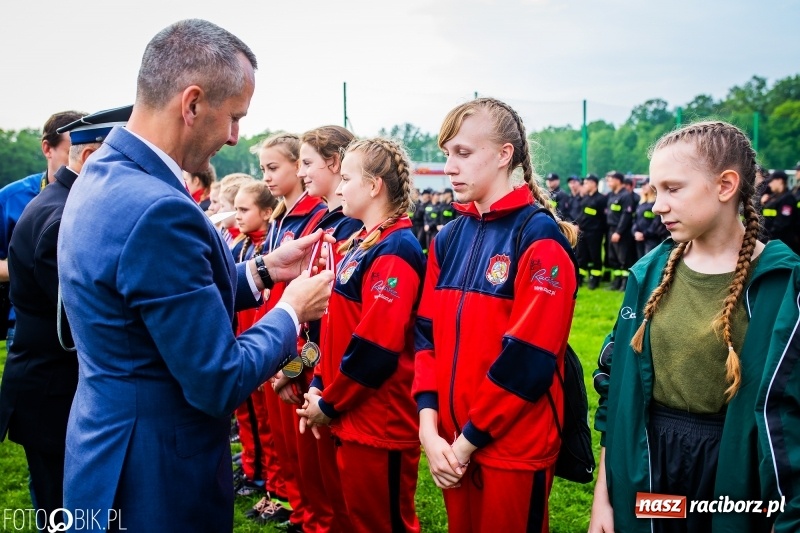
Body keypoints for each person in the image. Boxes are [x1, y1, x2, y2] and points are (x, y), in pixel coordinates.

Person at [57, 19, 335, 532]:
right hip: (154, 474)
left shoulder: (104, 176)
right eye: (233, 117)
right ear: (191, 103)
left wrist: (263, 270)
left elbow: (152, 296)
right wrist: (292, 310)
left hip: (107, 443)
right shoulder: (157, 208)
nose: (233, 137)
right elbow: (217, 378)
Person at [589, 121, 800, 533]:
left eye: (673, 188)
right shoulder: (647, 275)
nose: (656, 206)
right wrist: (606, 497)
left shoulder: (783, 284)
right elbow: (615, 392)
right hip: (657, 467)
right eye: (654, 191)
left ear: (725, 186)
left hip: (736, 478)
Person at [413, 98, 578, 533]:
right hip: (449, 445)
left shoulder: (538, 236)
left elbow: (529, 359)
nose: (449, 166)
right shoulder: (448, 237)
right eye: (447, 153)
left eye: (463, 153)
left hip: (511, 451)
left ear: (505, 154)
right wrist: (430, 431)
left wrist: (467, 443)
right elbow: (425, 337)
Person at [0, 105, 131, 528]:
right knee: (66, 515)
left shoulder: (58, 203)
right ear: (91, 159)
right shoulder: (61, 218)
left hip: (52, 390)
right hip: (54, 395)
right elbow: (86, 322)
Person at [298, 137, 425, 533]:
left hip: (379, 423)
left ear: (374, 186)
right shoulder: (362, 243)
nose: (338, 188)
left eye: (347, 178)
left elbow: (376, 348)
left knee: (382, 523)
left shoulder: (395, 249)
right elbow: (333, 327)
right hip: (351, 414)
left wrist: (330, 403)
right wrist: (317, 384)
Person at [250, 132, 328, 529]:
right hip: (282, 343)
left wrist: (295, 366)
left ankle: (312, 517)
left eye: (273, 167)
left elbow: (325, 320)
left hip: (305, 355)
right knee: (289, 446)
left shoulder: (321, 220)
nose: (266, 176)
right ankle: (301, 512)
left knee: (314, 457)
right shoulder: (282, 217)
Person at [0, 110, 85, 344]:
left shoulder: (96, 195)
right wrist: (26, 263)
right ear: (47, 149)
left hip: (80, 322)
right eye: (71, 153)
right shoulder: (11, 198)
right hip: (27, 323)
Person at [604, 170, 636, 291]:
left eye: (611, 180)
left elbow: (626, 216)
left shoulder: (626, 196)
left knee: (624, 258)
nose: (608, 182)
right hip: (611, 229)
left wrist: (618, 232)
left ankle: (625, 284)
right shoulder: (612, 195)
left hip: (621, 232)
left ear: (618, 180)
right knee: (613, 258)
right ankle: (616, 282)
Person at [576, 174, 607, 289]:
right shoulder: (586, 198)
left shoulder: (601, 199)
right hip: (583, 231)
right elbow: (582, 215)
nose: (584, 185)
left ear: (594, 183)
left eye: (587, 183)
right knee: (582, 256)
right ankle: (580, 278)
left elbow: (603, 218)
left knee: (595, 256)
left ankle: (595, 279)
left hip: (595, 232)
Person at [760, 170, 798, 254]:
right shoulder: (773, 197)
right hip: (768, 240)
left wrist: (770, 239)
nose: (769, 185)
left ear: (780, 181)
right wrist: (763, 204)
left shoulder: (788, 199)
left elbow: (782, 223)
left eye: (771, 181)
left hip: (780, 243)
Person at [631, 182, 668, 260]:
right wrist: (635, 232)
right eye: (642, 185)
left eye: (645, 184)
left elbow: (657, 222)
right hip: (639, 237)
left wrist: (645, 234)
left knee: (650, 260)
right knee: (640, 261)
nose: (643, 187)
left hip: (652, 238)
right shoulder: (641, 204)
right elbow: (635, 219)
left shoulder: (656, 204)